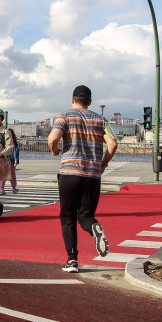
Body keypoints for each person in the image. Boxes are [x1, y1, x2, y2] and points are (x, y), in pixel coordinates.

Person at [48, 85, 118, 273]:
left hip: (70, 174)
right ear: (90, 102)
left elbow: (52, 139)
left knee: (67, 217)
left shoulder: (64, 116)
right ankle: (94, 227)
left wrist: (55, 151)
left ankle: (72, 260)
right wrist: (102, 164)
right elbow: (112, 144)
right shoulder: (101, 119)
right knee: (86, 216)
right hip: (92, 176)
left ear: (73, 99)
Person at [0, 128, 19, 195]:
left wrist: (16, 160)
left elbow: (15, 152)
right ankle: (12, 188)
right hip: (9, 160)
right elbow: (16, 152)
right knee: (11, 175)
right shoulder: (12, 143)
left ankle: (3, 189)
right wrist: (16, 160)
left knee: (4, 176)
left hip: (7, 160)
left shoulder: (5, 142)